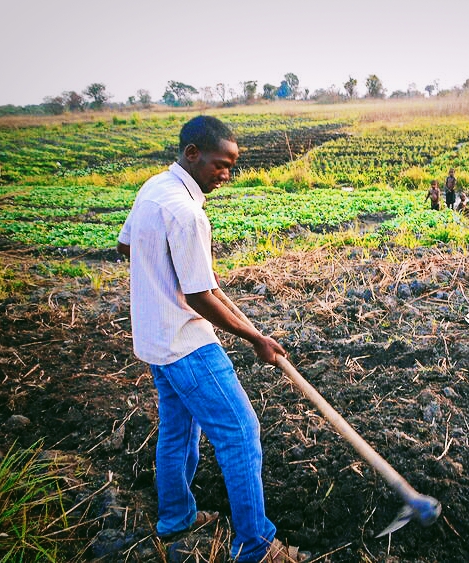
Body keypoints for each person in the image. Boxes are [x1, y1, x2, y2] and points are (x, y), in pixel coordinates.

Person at [117, 116, 309, 563]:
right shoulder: (187, 213)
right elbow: (200, 297)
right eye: (221, 165)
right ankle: (257, 546)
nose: (227, 174)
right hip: (186, 342)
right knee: (241, 431)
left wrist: (162, 275)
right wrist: (255, 338)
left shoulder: (154, 188)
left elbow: (126, 248)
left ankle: (176, 519)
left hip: (155, 338)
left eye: (232, 166)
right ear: (192, 155)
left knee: (178, 431)